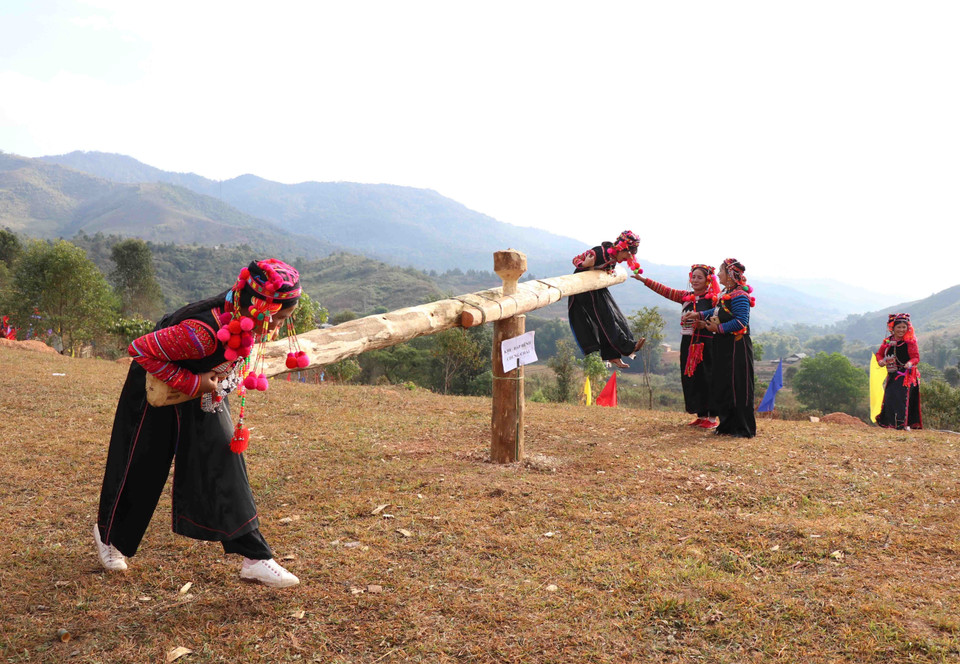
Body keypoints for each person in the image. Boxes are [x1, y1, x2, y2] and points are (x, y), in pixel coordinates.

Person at [94, 259, 306, 588]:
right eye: (274, 318)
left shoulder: (241, 319)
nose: (276, 328)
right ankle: (109, 538)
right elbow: (139, 349)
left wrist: (219, 382)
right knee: (141, 466)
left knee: (225, 457)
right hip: (156, 390)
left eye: (283, 321)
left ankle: (255, 558)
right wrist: (194, 383)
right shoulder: (201, 334)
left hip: (203, 391)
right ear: (255, 305)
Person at [639, 265, 720, 428]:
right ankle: (701, 415)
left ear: (708, 281)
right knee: (692, 378)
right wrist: (644, 280)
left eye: (700, 278)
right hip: (687, 343)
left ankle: (712, 418)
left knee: (707, 378)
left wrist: (703, 323)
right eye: (693, 277)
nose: (695, 280)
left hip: (706, 343)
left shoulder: (714, 300)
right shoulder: (685, 296)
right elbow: (664, 290)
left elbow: (720, 314)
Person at [684, 258, 756, 437]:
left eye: (721, 272)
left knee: (737, 385)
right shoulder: (727, 293)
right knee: (724, 384)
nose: (718, 275)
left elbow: (741, 322)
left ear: (730, 275)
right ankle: (726, 425)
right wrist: (699, 314)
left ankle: (741, 427)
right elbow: (716, 312)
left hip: (736, 346)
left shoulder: (740, 296)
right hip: (723, 345)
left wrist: (718, 328)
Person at [567, 230, 645, 369]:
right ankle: (628, 347)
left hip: (595, 288)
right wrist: (585, 264)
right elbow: (575, 259)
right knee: (606, 319)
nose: (628, 257)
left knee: (616, 316)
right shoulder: (598, 252)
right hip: (584, 290)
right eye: (628, 252)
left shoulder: (614, 258)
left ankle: (613, 355)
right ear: (621, 247)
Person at [875, 313, 923, 430]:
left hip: (906, 375)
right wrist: (880, 361)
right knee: (890, 397)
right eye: (899, 327)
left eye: (904, 327)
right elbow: (879, 354)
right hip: (892, 374)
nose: (901, 330)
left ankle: (902, 424)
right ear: (893, 328)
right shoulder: (887, 341)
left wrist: (910, 363)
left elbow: (916, 357)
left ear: (907, 328)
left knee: (902, 398)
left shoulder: (910, 342)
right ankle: (889, 423)